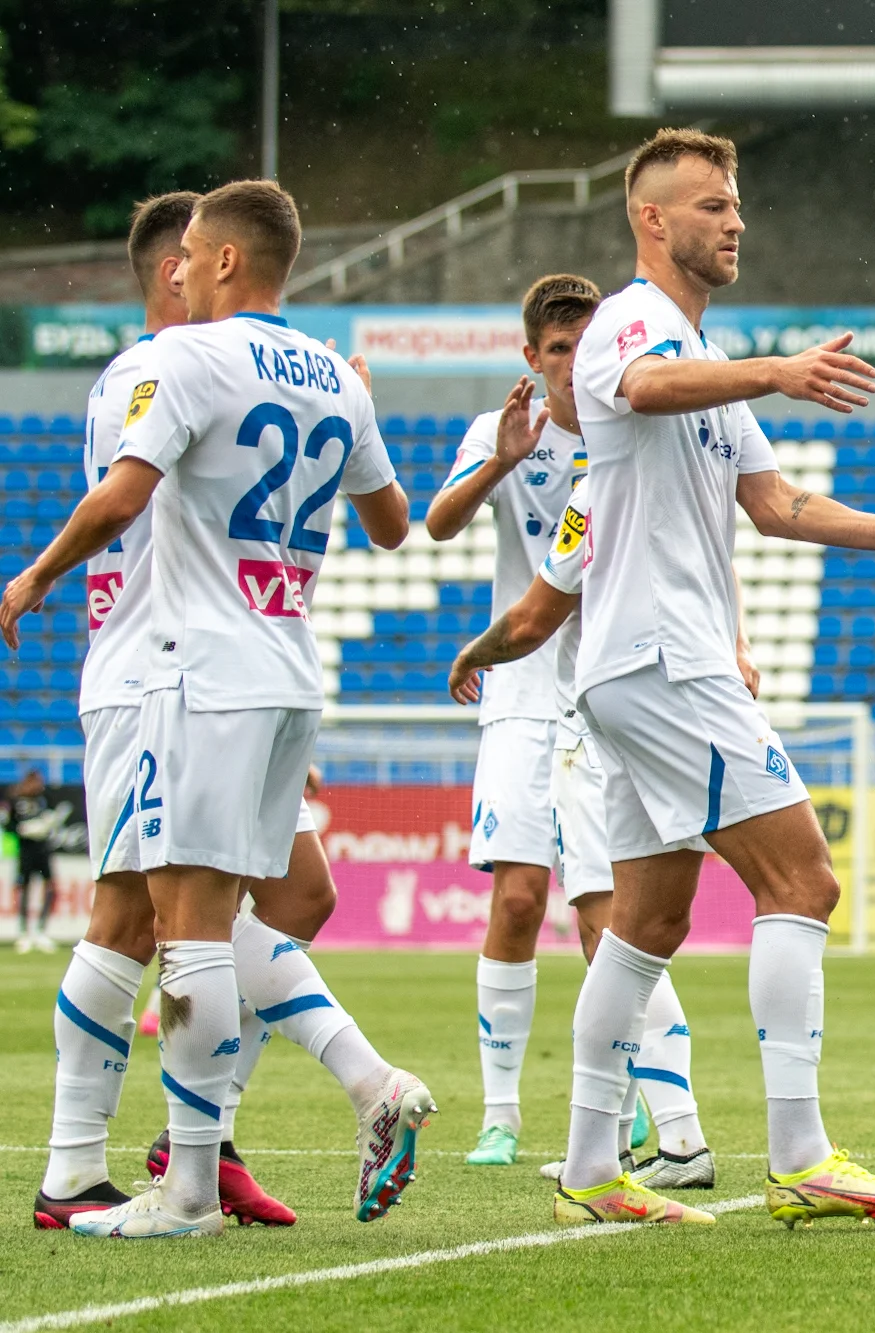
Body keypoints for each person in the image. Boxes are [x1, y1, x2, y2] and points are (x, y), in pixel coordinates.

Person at [551, 126, 875, 1228]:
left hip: (639, 661)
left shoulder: (706, 363)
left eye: (736, 204)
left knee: (646, 922)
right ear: (651, 218)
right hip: (665, 656)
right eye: (711, 204)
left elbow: (779, 505)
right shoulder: (633, 323)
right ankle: (801, 1155)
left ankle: (588, 1169)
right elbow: (644, 386)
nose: (734, 221)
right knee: (803, 881)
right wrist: (779, 370)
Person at [1, 180, 436, 1239]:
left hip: (184, 668)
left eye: (199, 252)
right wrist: (355, 407)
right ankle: (95, 1166)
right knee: (150, 913)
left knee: (183, 922)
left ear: (223, 260)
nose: (188, 268)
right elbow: (392, 525)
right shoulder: (333, 373)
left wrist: (35, 576)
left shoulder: (177, 361)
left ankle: (192, 1178)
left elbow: (123, 499)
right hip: (274, 664)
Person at [448, 464, 719, 1193]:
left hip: (597, 721)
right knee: (629, 925)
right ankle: (618, 1142)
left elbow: (533, 620)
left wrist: (476, 652)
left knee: (616, 932)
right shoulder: (660, 477)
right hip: (651, 713)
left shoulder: (595, 490)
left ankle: (682, 1136)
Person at [427, 276, 596, 1167]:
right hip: (523, 693)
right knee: (521, 898)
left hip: (609, 693)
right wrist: (501, 458)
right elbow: (438, 523)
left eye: (585, 345)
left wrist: (737, 638)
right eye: (558, 349)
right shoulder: (500, 434)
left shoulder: (631, 426)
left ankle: (629, 1098)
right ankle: (501, 1112)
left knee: (611, 909)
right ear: (532, 357)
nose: (572, 363)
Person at [9, 768, 57, 952]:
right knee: (24, 888)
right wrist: (23, 829)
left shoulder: (45, 798)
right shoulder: (16, 800)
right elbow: (9, 824)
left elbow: (53, 818)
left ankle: (41, 931)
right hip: (26, 851)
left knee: (49, 887)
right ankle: (24, 932)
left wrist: (45, 825)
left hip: (43, 850)